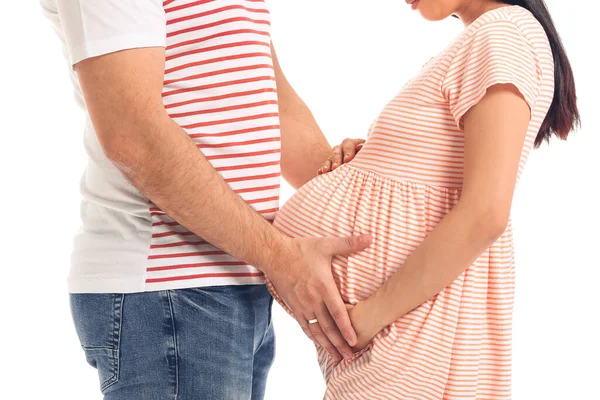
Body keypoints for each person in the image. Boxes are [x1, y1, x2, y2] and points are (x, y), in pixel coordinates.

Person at [40, 1, 372, 399]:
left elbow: (269, 100)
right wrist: (281, 258)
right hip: (169, 288)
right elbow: (132, 138)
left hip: (242, 278)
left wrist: (350, 181)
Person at [267, 0, 579, 398]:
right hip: (400, 337)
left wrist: (369, 318)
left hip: (410, 336)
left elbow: (485, 213)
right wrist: (360, 164)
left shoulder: (503, 35)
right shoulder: (490, 37)